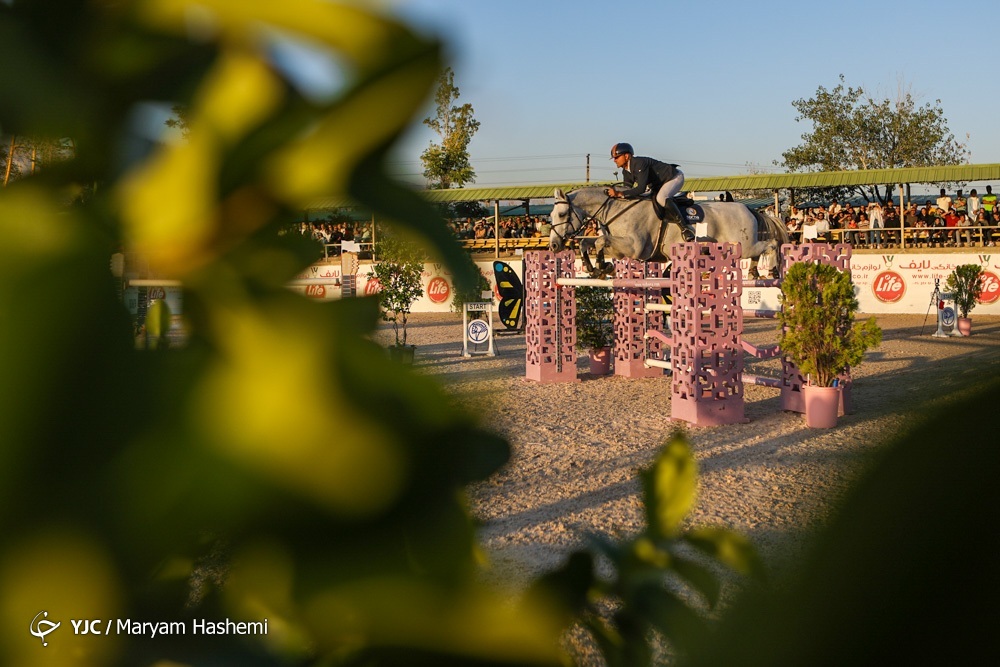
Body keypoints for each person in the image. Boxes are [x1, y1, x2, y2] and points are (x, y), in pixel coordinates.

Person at [606, 142, 693, 241]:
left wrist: (619, 194)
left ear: (626, 156)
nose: (614, 160)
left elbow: (641, 189)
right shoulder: (625, 171)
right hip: (659, 184)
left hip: (673, 178)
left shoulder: (639, 163)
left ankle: (685, 228)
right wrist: (616, 194)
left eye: (616, 157)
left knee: (661, 198)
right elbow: (627, 189)